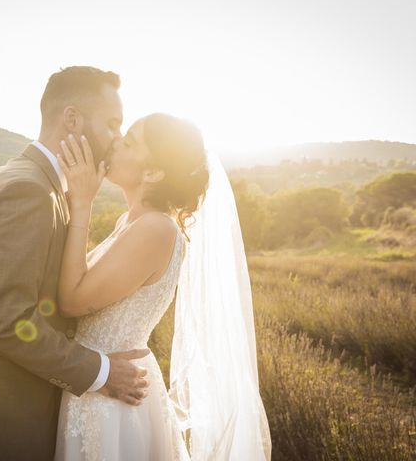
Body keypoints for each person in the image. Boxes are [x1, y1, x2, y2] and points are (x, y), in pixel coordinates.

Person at [0, 66, 152, 460]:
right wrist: (101, 372)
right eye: (112, 124)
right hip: (4, 413)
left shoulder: (36, 181)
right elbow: (7, 320)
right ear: (71, 118)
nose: (116, 138)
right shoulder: (28, 191)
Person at [53, 113, 272, 460]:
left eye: (129, 142)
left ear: (153, 172)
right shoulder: (131, 221)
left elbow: (72, 300)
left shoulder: (156, 229)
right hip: (101, 388)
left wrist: (82, 202)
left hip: (115, 403)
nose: (114, 142)